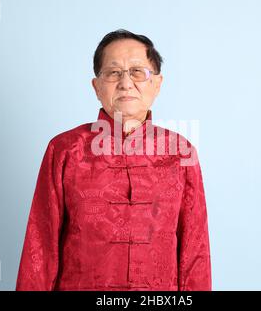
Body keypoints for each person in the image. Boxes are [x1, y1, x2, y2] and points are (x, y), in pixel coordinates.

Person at [16, 29, 212, 291]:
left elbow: (195, 252)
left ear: (157, 84)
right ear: (97, 87)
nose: (125, 83)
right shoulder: (64, 150)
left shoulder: (180, 152)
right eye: (113, 72)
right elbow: (39, 246)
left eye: (138, 72)